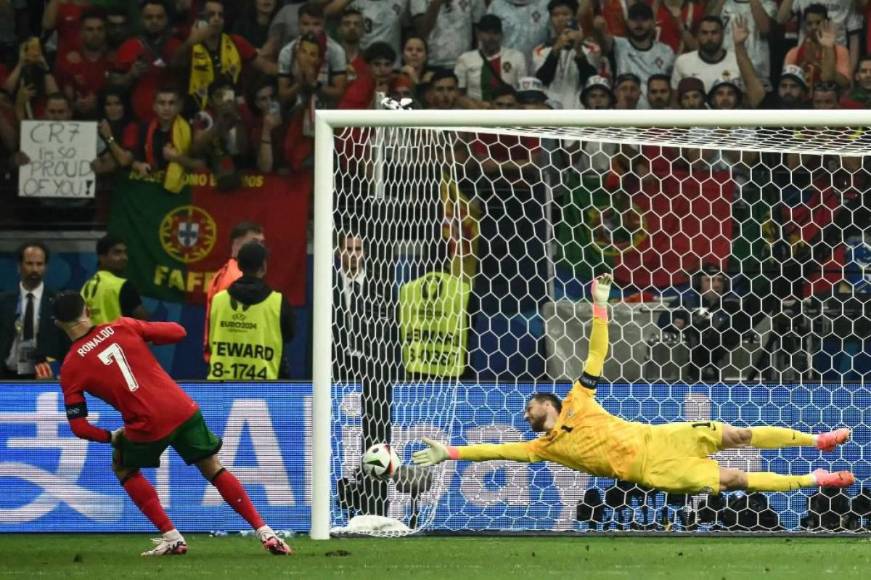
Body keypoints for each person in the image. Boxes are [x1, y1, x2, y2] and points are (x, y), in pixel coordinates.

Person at [413, 274, 856, 496]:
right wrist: (449, 452)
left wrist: (599, 305)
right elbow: (493, 450)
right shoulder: (540, 448)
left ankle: (817, 440)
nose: (525, 413)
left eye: (530, 406)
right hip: (652, 470)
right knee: (735, 478)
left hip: (659, 436)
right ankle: (815, 478)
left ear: (547, 402)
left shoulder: (578, 398)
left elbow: (596, 353)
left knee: (738, 434)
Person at [51, 291, 291, 556]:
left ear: (57, 323)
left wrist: (112, 437)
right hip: (182, 408)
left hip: (147, 423)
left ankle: (172, 537)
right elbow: (178, 332)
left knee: (123, 466)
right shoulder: (123, 325)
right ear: (87, 310)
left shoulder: (71, 367)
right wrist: (145, 333)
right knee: (212, 466)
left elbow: (79, 427)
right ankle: (266, 532)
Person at [207, 241, 293, 380]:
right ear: (264, 267)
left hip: (221, 385)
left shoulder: (218, 300)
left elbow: (211, 341)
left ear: (239, 266)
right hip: (264, 386)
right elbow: (289, 335)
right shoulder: (278, 302)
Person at [0, 241, 68, 379]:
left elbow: (66, 347)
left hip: (44, 378)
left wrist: (55, 372)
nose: (35, 269)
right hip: (6, 376)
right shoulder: (4, 302)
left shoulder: (58, 302)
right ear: (19, 266)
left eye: (39, 264)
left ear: (46, 267)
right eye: (29, 263)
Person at [204, 222, 265, 362]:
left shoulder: (222, 273)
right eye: (254, 242)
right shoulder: (239, 278)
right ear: (236, 244)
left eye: (262, 243)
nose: (260, 247)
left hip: (222, 355)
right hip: (235, 359)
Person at [80, 234, 148, 325]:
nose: (124, 257)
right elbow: (144, 322)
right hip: (119, 334)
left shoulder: (86, 287)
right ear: (102, 257)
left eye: (125, 252)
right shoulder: (122, 285)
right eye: (117, 253)